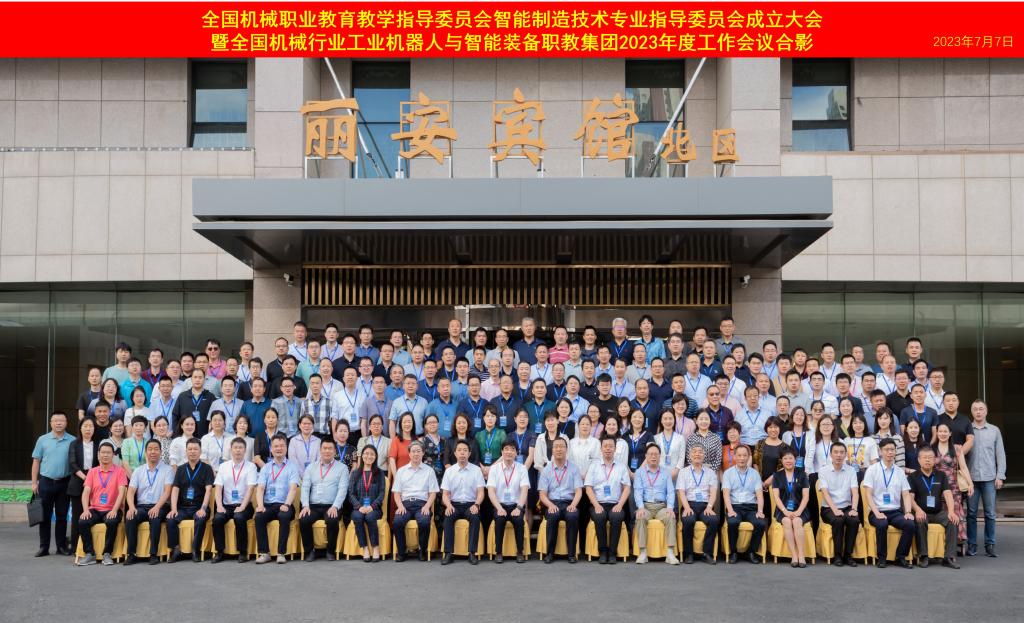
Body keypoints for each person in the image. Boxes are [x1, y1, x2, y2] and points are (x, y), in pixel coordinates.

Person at [863, 438, 915, 568]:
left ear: (896, 451)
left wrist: (908, 512)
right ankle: (882, 558)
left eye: (892, 449)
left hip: (895, 511)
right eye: (886, 450)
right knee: (882, 524)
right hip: (877, 511)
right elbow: (868, 494)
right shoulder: (872, 470)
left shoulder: (899, 471)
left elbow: (906, 494)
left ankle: (900, 557)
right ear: (880, 451)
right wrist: (876, 513)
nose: (890, 452)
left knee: (909, 524)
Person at [75, 440, 128, 566]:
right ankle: (90, 554)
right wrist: (86, 510)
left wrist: (115, 510)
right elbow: (86, 492)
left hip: (112, 508)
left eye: (108, 453)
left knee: (111, 521)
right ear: (98, 455)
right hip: (95, 508)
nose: (105, 455)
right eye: (103, 452)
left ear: (113, 455)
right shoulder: (92, 472)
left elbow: (122, 492)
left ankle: (107, 554)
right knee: (82, 521)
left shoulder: (120, 471)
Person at [299, 437, 350, 562]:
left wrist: (335, 506)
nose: (327, 451)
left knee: (332, 519)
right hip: (313, 506)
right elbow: (305, 488)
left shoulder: (342, 468)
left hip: (332, 505)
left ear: (334, 451)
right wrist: (305, 505)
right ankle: (309, 551)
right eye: (325, 448)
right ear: (320, 450)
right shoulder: (311, 467)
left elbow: (342, 490)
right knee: (304, 519)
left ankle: (330, 551)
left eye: (330, 448)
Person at [30, 410, 74, 557]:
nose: (59, 423)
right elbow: (36, 461)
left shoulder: (72, 440)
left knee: (62, 516)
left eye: (61, 420)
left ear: (66, 423)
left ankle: (61, 546)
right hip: (46, 482)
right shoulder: (42, 440)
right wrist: (34, 482)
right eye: (56, 421)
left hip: (64, 483)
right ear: (51, 423)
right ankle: (44, 547)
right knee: (44, 517)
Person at [123, 439, 173, 565]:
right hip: (141, 506)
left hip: (160, 505)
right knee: (131, 517)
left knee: (154, 517)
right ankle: (131, 554)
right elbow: (130, 492)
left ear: (160, 452)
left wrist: (157, 507)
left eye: (156, 449)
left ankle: (153, 554)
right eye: (150, 449)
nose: (153, 452)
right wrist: (131, 507)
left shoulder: (167, 470)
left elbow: (167, 491)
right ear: (146, 452)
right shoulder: (138, 471)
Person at [909, 445, 960, 569]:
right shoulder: (913, 476)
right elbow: (910, 497)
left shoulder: (941, 475)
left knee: (953, 520)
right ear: (919, 460)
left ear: (934, 460)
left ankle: (948, 557)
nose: (927, 460)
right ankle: (924, 556)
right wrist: (918, 510)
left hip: (938, 513)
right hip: (922, 512)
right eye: (924, 457)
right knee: (920, 520)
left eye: (930, 457)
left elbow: (947, 494)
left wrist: (951, 511)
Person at [966, 399, 1005, 558]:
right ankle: (972, 545)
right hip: (971, 479)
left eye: (981, 409)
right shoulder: (967, 430)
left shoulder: (994, 430)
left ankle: (990, 545)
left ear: (986, 411)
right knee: (971, 514)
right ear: (971, 412)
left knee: (990, 513)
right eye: (975, 409)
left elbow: (1000, 455)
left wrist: (1000, 476)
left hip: (989, 478)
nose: (978, 412)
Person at [253, 435, 301, 564]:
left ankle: (281, 553)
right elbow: (260, 489)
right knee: (259, 517)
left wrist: (287, 504)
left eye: (281, 446)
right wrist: (260, 505)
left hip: (285, 504)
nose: (279, 448)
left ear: (286, 448)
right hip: (268, 505)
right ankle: (264, 553)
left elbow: (293, 488)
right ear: (271, 448)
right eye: (276, 446)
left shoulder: (292, 467)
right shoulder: (266, 468)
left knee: (284, 516)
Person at [166, 437, 214, 562]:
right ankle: (175, 549)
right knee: (170, 519)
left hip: (199, 506)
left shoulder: (207, 468)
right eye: (190, 449)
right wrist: (174, 509)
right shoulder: (181, 469)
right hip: (183, 507)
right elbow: (175, 490)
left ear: (200, 451)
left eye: (195, 449)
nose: (192, 451)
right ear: (186, 451)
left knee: (201, 518)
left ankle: (195, 550)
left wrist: (203, 508)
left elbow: (209, 490)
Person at [585, 436, 632, 564]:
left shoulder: (621, 466)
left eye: (611, 446)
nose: (608, 449)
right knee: (599, 516)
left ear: (615, 449)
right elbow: (588, 488)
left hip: (615, 503)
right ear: (601, 448)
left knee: (616, 516)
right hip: (598, 503)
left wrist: (620, 505)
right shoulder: (594, 466)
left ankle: (612, 553)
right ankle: (603, 551)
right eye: (605, 446)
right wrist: (596, 505)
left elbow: (627, 488)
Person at [211, 437, 258, 563]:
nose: (238, 450)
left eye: (240, 448)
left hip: (244, 505)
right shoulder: (223, 467)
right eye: (235, 448)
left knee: (239, 517)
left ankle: (242, 552)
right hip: (227, 505)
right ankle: (219, 552)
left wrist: (242, 506)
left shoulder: (251, 467)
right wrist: (219, 506)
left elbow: (250, 488)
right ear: (231, 450)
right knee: (217, 519)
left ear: (245, 450)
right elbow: (218, 488)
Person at [440, 439, 486, 565]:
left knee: (475, 517)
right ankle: (448, 553)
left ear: (469, 453)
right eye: (459, 450)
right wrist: (448, 505)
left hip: (471, 504)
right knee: (448, 518)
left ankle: (472, 553)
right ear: (455, 453)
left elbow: (481, 492)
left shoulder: (476, 470)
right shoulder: (449, 471)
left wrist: (476, 504)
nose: (462, 453)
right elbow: (445, 494)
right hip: (454, 504)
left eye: (465, 450)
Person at [392, 441, 440, 562]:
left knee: (424, 522)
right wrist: (400, 506)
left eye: (419, 451)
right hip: (405, 504)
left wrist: (427, 506)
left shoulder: (429, 471)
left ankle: (422, 550)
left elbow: (433, 493)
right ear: (409, 454)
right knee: (397, 522)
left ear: (423, 453)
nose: (416, 454)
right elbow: (396, 493)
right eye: (413, 451)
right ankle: (402, 552)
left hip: (422, 504)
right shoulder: (401, 471)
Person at [632, 443, 680, 565]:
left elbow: (670, 492)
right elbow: (637, 491)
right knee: (640, 517)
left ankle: (670, 553)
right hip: (646, 506)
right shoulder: (639, 472)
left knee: (670, 517)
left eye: (656, 454)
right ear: (646, 456)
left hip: (661, 507)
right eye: (651, 454)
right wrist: (640, 507)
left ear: (660, 456)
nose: (653, 456)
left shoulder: (666, 472)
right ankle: (643, 552)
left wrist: (670, 507)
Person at [538, 437, 583, 563]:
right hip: (552, 503)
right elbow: (542, 494)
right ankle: (550, 554)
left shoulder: (574, 468)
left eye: (561, 446)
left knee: (572, 516)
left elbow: (579, 491)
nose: (559, 449)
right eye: (556, 446)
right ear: (552, 450)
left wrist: (573, 505)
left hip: (569, 503)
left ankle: (571, 554)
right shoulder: (546, 470)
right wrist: (550, 505)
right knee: (552, 516)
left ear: (566, 449)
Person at [816, 442, 861, 566]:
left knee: (854, 520)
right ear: (831, 454)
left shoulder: (851, 470)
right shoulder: (823, 471)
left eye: (842, 452)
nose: (839, 455)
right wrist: (835, 509)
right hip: (828, 508)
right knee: (838, 520)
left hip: (847, 507)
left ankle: (848, 555)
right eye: (835, 452)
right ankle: (837, 555)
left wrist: (854, 509)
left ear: (846, 455)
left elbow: (855, 493)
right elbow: (825, 493)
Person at [486, 439, 530, 563]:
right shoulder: (494, 469)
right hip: (499, 504)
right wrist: (499, 508)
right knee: (499, 519)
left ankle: (520, 552)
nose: (509, 452)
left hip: (516, 504)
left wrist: (519, 508)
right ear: (502, 452)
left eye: (512, 449)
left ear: (516, 453)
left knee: (518, 520)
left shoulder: (522, 468)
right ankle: (498, 552)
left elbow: (524, 490)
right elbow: (491, 491)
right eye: (506, 449)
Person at [721, 444, 766, 564]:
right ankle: (733, 552)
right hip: (735, 506)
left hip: (751, 507)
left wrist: (760, 511)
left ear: (748, 457)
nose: (742, 458)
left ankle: (751, 552)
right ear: (735, 456)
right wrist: (730, 510)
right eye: (739, 455)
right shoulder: (728, 473)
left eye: (744, 455)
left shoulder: (754, 474)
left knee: (761, 523)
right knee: (733, 522)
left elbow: (759, 495)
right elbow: (726, 494)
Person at [676, 445, 719, 565]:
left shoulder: (710, 472)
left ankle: (707, 553)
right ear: (690, 455)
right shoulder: (683, 472)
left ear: (704, 455)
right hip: (689, 504)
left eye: (700, 452)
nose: (697, 454)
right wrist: (686, 507)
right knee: (688, 520)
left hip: (706, 505)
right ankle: (689, 554)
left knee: (714, 520)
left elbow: (713, 492)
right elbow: (681, 492)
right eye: (694, 452)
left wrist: (709, 507)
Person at [932, 422, 971, 549]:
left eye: (945, 431)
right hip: (936, 486)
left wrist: (970, 484)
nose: (942, 434)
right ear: (937, 433)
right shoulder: (931, 448)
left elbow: (963, 467)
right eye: (940, 431)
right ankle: (940, 541)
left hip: (953, 486)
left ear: (950, 433)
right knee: (939, 511)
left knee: (954, 510)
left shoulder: (957, 448)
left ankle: (955, 541)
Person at [771, 448, 810, 568]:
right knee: (787, 522)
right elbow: (776, 497)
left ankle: (801, 555)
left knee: (797, 521)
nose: (788, 461)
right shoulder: (777, 475)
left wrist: (799, 511)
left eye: (790, 458)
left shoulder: (802, 474)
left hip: (800, 508)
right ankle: (794, 555)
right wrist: (785, 511)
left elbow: (806, 496)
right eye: (785, 458)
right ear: (781, 460)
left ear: (795, 459)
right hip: (782, 508)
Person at [347, 445, 386, 562]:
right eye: (366, 453)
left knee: (370, 517)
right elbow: (351, 493)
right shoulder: (355, 473)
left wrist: (372, 506)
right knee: (358, 517)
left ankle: (375, 547)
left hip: (374, 508)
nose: (369, 456)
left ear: (376, 457)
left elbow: (382, 493)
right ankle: (364, 548)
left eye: (372, 454)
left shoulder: (379, 473)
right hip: (358, 507)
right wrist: (359, 507)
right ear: (362, 455)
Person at [171, 369, 216, 437]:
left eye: (200, 377)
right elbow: (175, 415)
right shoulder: (182, 396)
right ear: (191, 379)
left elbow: (214, 417)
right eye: (195, 377)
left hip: (205, 436)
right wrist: (177, 434)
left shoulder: (210, 397)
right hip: (186, 436)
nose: (197, 380)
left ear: (204, 379)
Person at [753, 416, 787, 488]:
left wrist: (767, 482)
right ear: (766, 429)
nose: (773, 430)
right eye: (770, 427)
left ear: (780, 428)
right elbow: (755, 463)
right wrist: (759, 480)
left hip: (777, 484)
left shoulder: (785, 447)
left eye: (775, 427)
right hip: (759, 484)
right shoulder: (760, 443)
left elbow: (784, 467)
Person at [782, 407, 812, 474]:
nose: (799, 417)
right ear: (792, 417)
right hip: (790, 470)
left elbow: (811, 454)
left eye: (802, 415)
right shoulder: (786, 435)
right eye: (797, 414)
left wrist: (806, 472)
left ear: (804, 418)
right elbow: (784, 454)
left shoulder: (810, 434)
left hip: (807, 470)